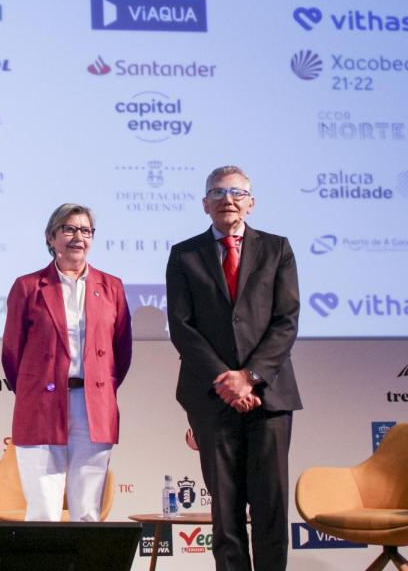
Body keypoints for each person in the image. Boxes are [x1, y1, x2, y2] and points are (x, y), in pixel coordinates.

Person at [166, 165, 301, 571]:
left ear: (251, 202)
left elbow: (286, 320)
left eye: (238, 192)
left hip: (269, 396)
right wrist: (226, 380)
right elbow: (182, 327)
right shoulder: (184, 254)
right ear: (205, 203)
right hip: (211, 397)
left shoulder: (277, 249)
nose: (228, 199)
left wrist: (249, 377)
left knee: (271, 509)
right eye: (218, 192)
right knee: (225, 514)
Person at [1, 203, 132, 521]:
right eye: (69, 229)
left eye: (85, 230)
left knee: (87, 512)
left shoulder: (111, 286)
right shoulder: (28, 286)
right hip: (42, 405)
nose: (78, 237)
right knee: (44, 511)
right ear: (51, 236)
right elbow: (11, 354)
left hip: (93, 407)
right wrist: (37, 388)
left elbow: (122, 352)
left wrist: (100, 388)